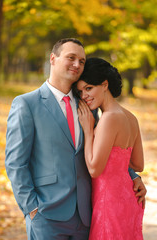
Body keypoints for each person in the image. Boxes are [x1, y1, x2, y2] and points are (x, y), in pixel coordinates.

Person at [5, 38, 146, 240]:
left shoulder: (88, 103)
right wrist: (31, 208)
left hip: (86, 214)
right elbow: (15, 163)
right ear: (53, 59)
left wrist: (132, 176)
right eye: (71, 58)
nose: (77, 64)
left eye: (81, 60)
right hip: (47, 214)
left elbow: (105, 148)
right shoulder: (27, 104)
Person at [75, 57, 145, 239]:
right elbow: (138, 164)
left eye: (88, 88)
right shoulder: (131, 117)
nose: (84, 96)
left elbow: (94, 169)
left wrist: (88, 131)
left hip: (109, 203)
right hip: (128, 200)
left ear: (105, 84)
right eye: (80, 91)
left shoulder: (108, 118)